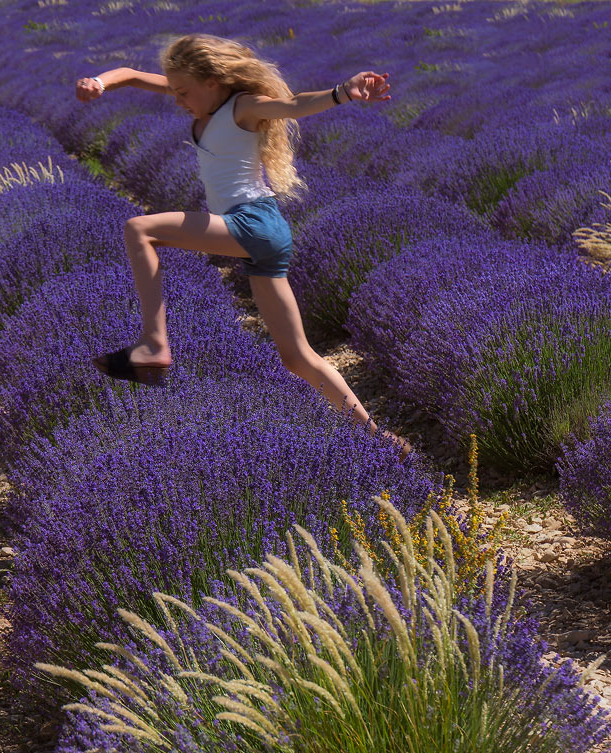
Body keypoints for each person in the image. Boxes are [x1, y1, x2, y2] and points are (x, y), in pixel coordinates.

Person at [75, 33, 412, 461]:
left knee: (139, 229)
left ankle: (154, 344)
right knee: (297, 356)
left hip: (251, 222)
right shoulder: (205, 95)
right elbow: (131, 76)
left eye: (183, 92)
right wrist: (99, 83)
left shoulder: (242, 106)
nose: (178, 101)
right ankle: (378, 440)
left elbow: (293, 106)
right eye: (174, 91)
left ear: (213, 81)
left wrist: (343, 92)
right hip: (264, 234)